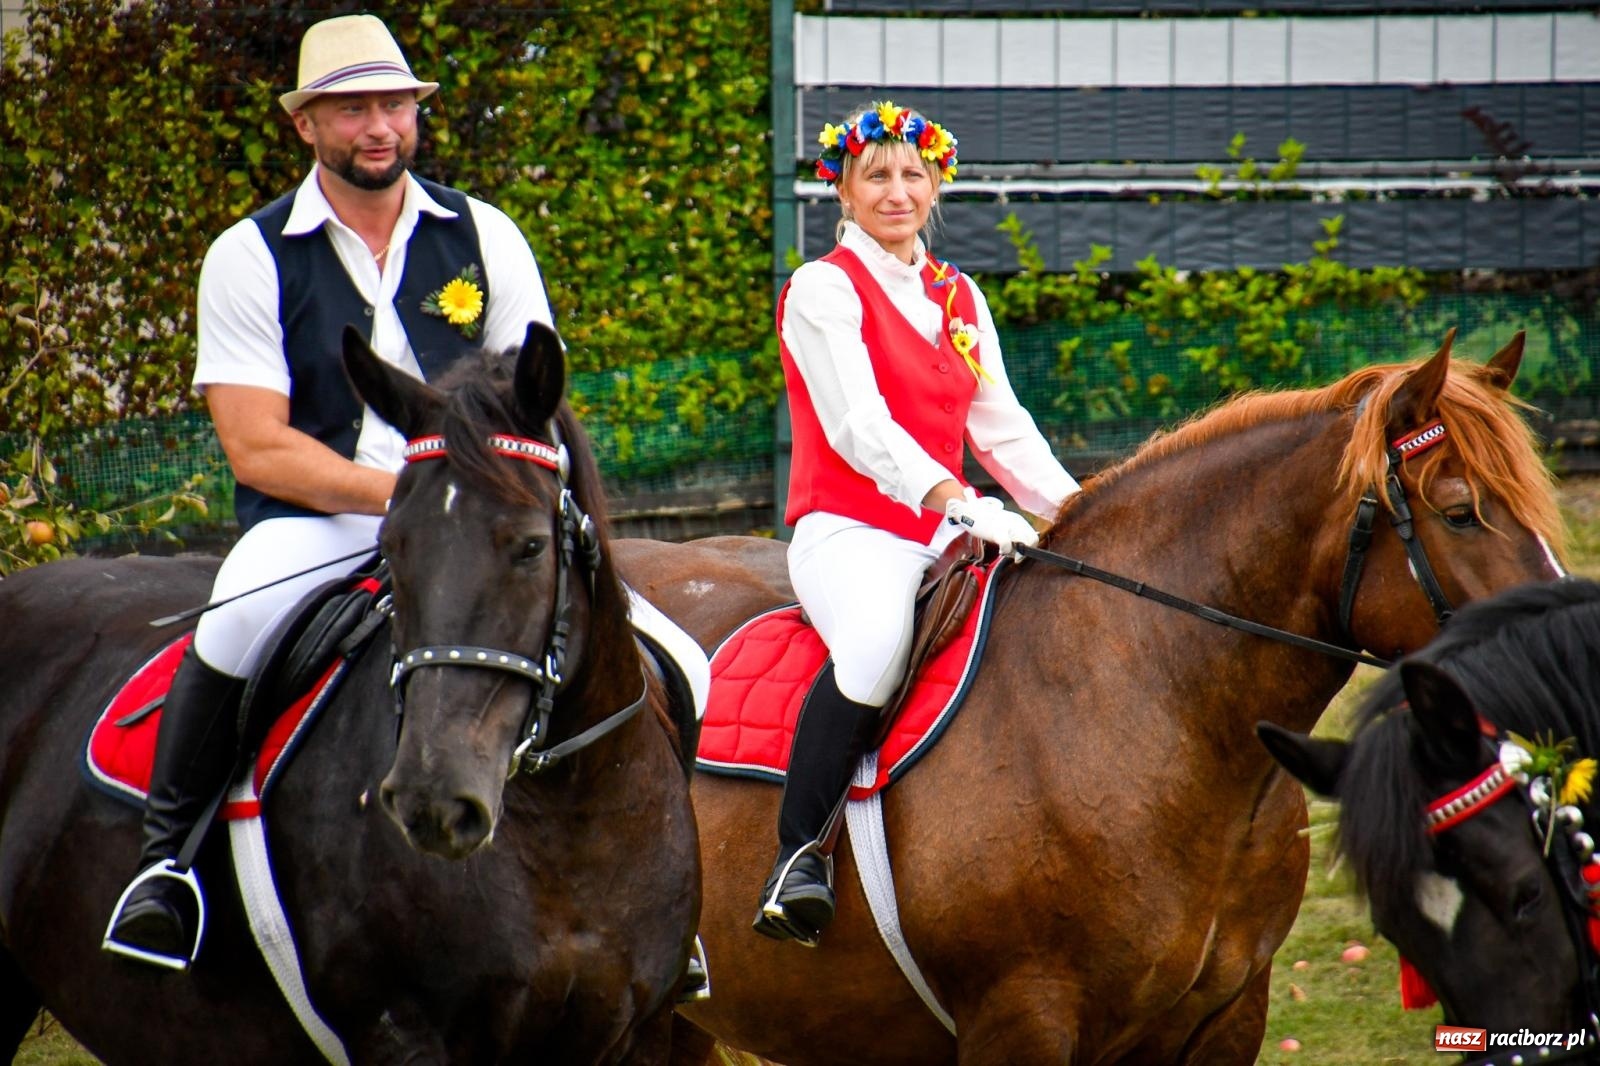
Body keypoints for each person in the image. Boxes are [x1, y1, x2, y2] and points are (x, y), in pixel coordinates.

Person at [104, 13, 560, 971]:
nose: (379, 126)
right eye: (351, 109)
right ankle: (165, 869)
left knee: (656, 642)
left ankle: (662, 892)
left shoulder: (485, 234)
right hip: (316, 523)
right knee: (230, 622)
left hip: (472, 525)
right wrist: (402, 492)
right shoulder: (250, 253)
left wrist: (476, 503)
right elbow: (256, 446)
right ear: (306, 123)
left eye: (393, 104)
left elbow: (531, 402)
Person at [753, 102, 1082, 945]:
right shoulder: (823, 288)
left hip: (948, 525)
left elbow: (1003, 429)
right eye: (878, 177)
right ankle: (799, 857)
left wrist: (1083, 515)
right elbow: (860, 428)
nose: (897, 192)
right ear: (845, 190)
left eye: (912, 176)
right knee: (875, 645)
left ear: (935, 185)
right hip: (848, 528)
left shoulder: (960, 296)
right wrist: (952, 499)